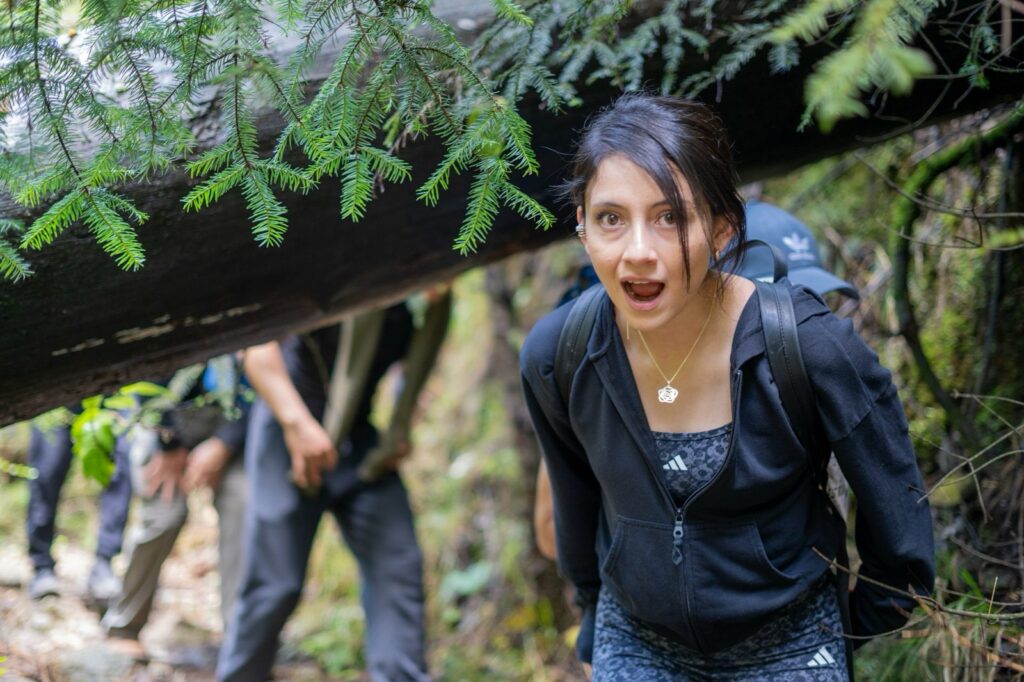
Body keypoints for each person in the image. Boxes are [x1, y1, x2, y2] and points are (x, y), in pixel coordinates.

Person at [519, 94, 935, 681]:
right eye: (611, 218)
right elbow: (575, 504)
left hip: (791, 638)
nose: (638, 252)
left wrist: (847, 634)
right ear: (582, 227)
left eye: (670, 217)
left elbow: (898, 521)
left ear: (722, 230)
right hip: (636, 639)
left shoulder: (811, 348)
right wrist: (595, 623)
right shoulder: (558, 354)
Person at [217, 291, 451, 682]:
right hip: (287, 430)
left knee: (397, 565)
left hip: (358, 441)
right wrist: (296, 424)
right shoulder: (329, 273)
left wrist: (401, 425)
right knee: (275, 584)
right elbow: (256, 347)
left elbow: (413, 365)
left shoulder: (414, 294)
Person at [103, 359, 252, 659]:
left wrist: (224, 444)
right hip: (164, 422)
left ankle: (239, 637)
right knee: (163, 515)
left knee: (242, 505)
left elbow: (261, 384)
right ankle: (124, 625)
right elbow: (146, 377)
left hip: (232, 428)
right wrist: (168, 442)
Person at [25, 414, 131, 604]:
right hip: (53, 405)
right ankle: (41, 566)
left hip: (109, 405)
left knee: (118, 473)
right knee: (46, 471)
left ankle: (104, 563)